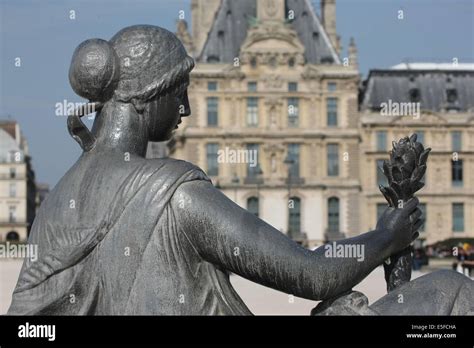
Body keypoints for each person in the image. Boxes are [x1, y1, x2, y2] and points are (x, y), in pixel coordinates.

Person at [8, 25, 473, 315]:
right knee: (450, 289)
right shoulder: (173, 192)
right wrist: (386, 237)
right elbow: (312, 275)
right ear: (150, 94)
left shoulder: (56, 203)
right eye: (179, 91)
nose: (187, 107)